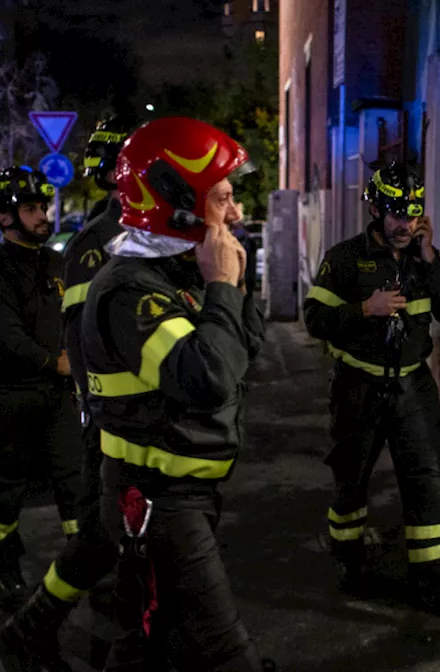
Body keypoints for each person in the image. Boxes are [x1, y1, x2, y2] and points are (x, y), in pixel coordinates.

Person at [80, 116, 275, 671]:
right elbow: (208, 379)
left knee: (157, 640)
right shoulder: (131, 290)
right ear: (175, 200)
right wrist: (219, 287)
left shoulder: (177, 273)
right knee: (225, 651)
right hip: (158, 500)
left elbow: (246, 348)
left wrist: (227, 286)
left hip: (185, 494)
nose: (236, 213)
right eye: (223, 197)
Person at [0, 115, 142, 672]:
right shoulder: (94, 245)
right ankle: (43, 628)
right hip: (112, 422)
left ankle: (58, 629)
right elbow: (82, 340)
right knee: (107, 537)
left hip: (144, 419)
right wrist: (98, 410)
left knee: (114, 538)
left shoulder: (147, 234)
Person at [302, 162, 440, 618]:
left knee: (425, 484)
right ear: (375, 210)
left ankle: (430, 588)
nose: (404, 225)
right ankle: (350, 566)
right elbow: (314, 320)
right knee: (351, 482)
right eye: (396, 215)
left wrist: (430, 256)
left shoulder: (422, 257)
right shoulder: (344, 258)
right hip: (358, 384)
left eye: (412, 215)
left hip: (412, 385)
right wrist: (364, 308)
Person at [0, 167, 83, 614]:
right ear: (4, 217)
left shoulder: (56, 264)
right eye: (32, 208)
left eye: (44, 206)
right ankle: (2, 573)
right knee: (5, 491)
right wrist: (52, 360)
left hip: (56, 395)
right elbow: (7, 334)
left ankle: (85, 565)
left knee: (74, 481)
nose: (43, 215)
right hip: (7, 397)